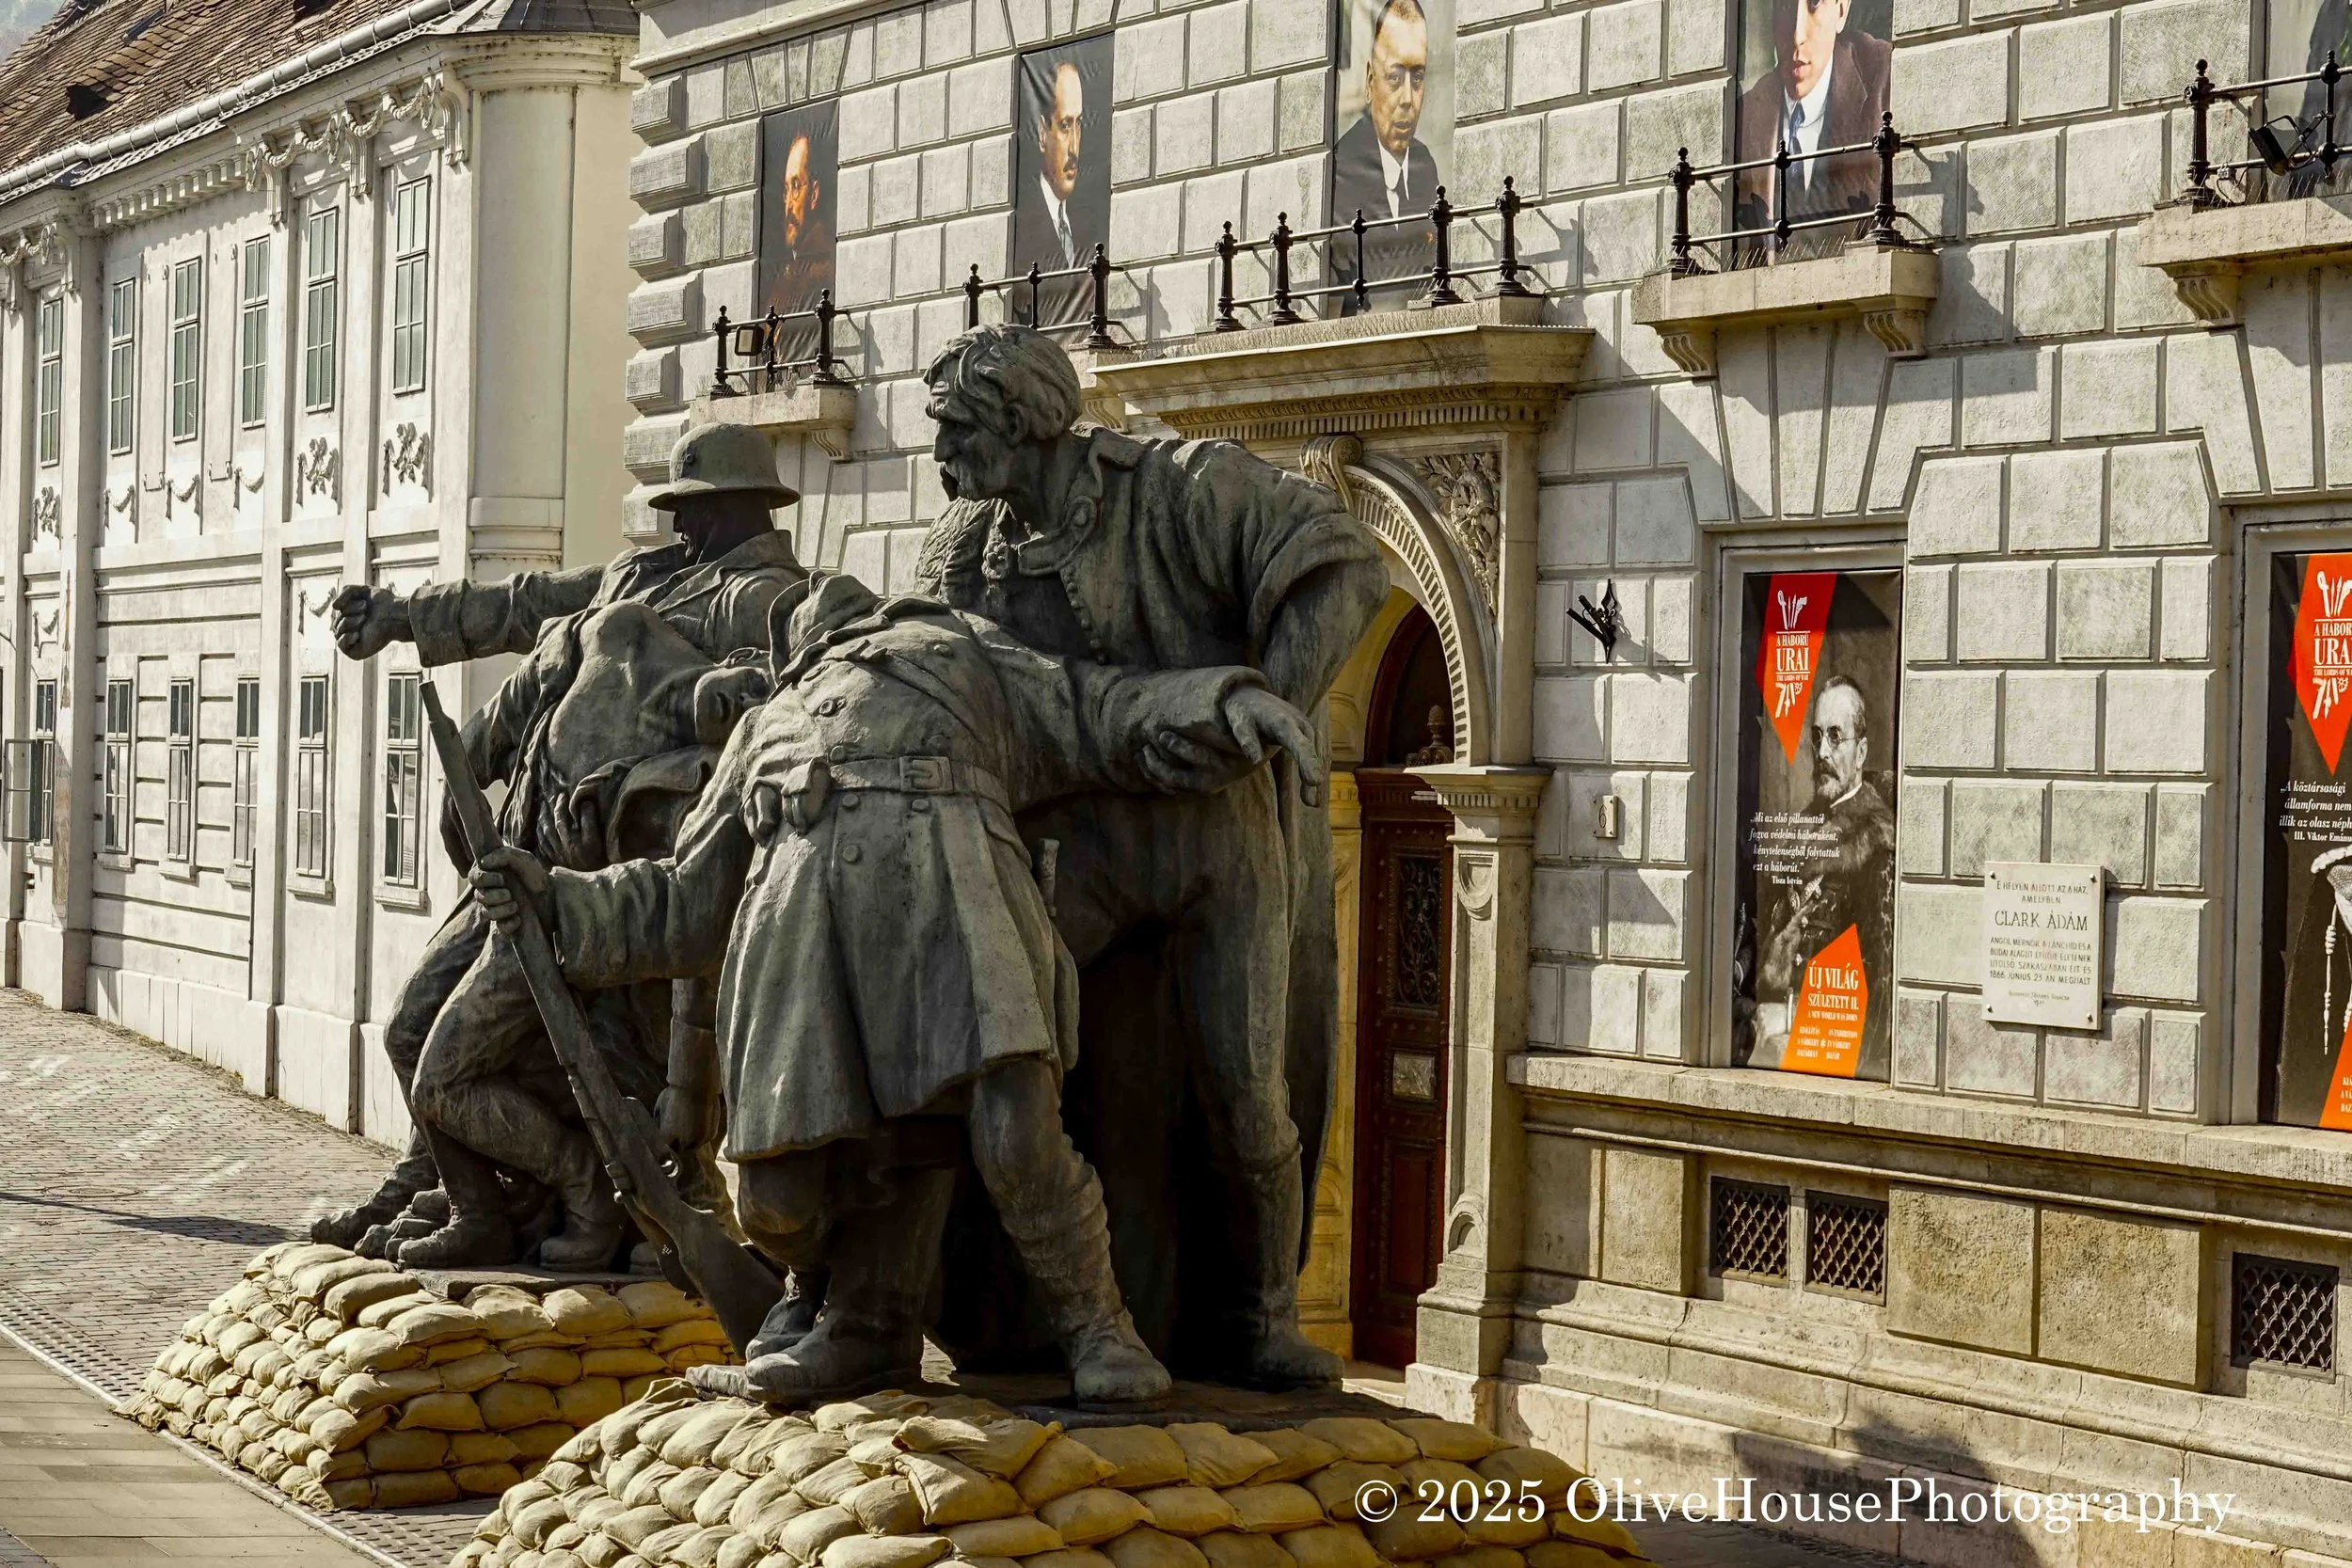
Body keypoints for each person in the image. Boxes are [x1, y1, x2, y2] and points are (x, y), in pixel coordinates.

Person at [469, 572, 1327, 1406]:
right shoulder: (764, 722)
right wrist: (557, 896)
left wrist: (1220, 702)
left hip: (961, 907)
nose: (817, 611)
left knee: (1018, 1130)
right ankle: (860, 1325)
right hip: (808, 961)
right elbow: (685, 894)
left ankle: (1100, 1329)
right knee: (777, 1201)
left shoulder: (957, 649)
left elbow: (1094, 705)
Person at [915, 325, 1388, 1388]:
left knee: (1246, 1093)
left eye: (953, 430)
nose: (938, 454)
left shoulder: (1181, 487)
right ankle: (1029, 1307)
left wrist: (1273, 703)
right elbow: (940, 679)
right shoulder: (961, 546)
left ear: (1019, 422)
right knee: (991, 1050)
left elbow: (1343, 569)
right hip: (1071, 846)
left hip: (1214, 841)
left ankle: (1260, 1315)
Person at [313, 423, 806, 1268]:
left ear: (739, 507)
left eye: (696, 511)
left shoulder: (761, 597)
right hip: (518, 850)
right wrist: (401, 614)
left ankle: (553, 1193)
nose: (680, 527)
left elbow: (796, 684)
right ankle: (456, 1184)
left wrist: (731, 695)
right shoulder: (641, 572)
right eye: (677, 511)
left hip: (605, 884)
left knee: (542, 1065)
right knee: (409, 1029)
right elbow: (525, 603)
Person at [1749, 675, 1896, 1072]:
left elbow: (1879, 992)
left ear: (1862, 751)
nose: (1823, 751)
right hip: (1772, 1051)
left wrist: (1791, 1020)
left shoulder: (1876, 847)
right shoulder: (1803, 827)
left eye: (1836, 736)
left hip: (1828, 1055)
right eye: (1817, 736)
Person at [1733, 0, 1892, 238]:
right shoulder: (1747, 112)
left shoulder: (1887, 77)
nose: (1797, 36)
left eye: (1815, 3)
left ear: (1842, 9)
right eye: (1785, 6)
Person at [1331, 0, 1441, 229]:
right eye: (1395, 78)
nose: (1408, 99)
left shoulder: (1424, 165)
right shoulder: (1342, 171)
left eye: (1418, 77)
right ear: (1371, 82)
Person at [1012, 59, 1100, 277]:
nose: (1074, 147)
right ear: (1042, 135)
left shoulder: (1087, 224)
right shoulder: (1024, 225)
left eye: (1078, 124)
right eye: (1065, 125)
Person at [763, 130, 834, 317]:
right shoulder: (788, 272)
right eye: (786, 190)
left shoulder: (822, 270)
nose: (788, 206)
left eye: (796, 186)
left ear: (814, 195)